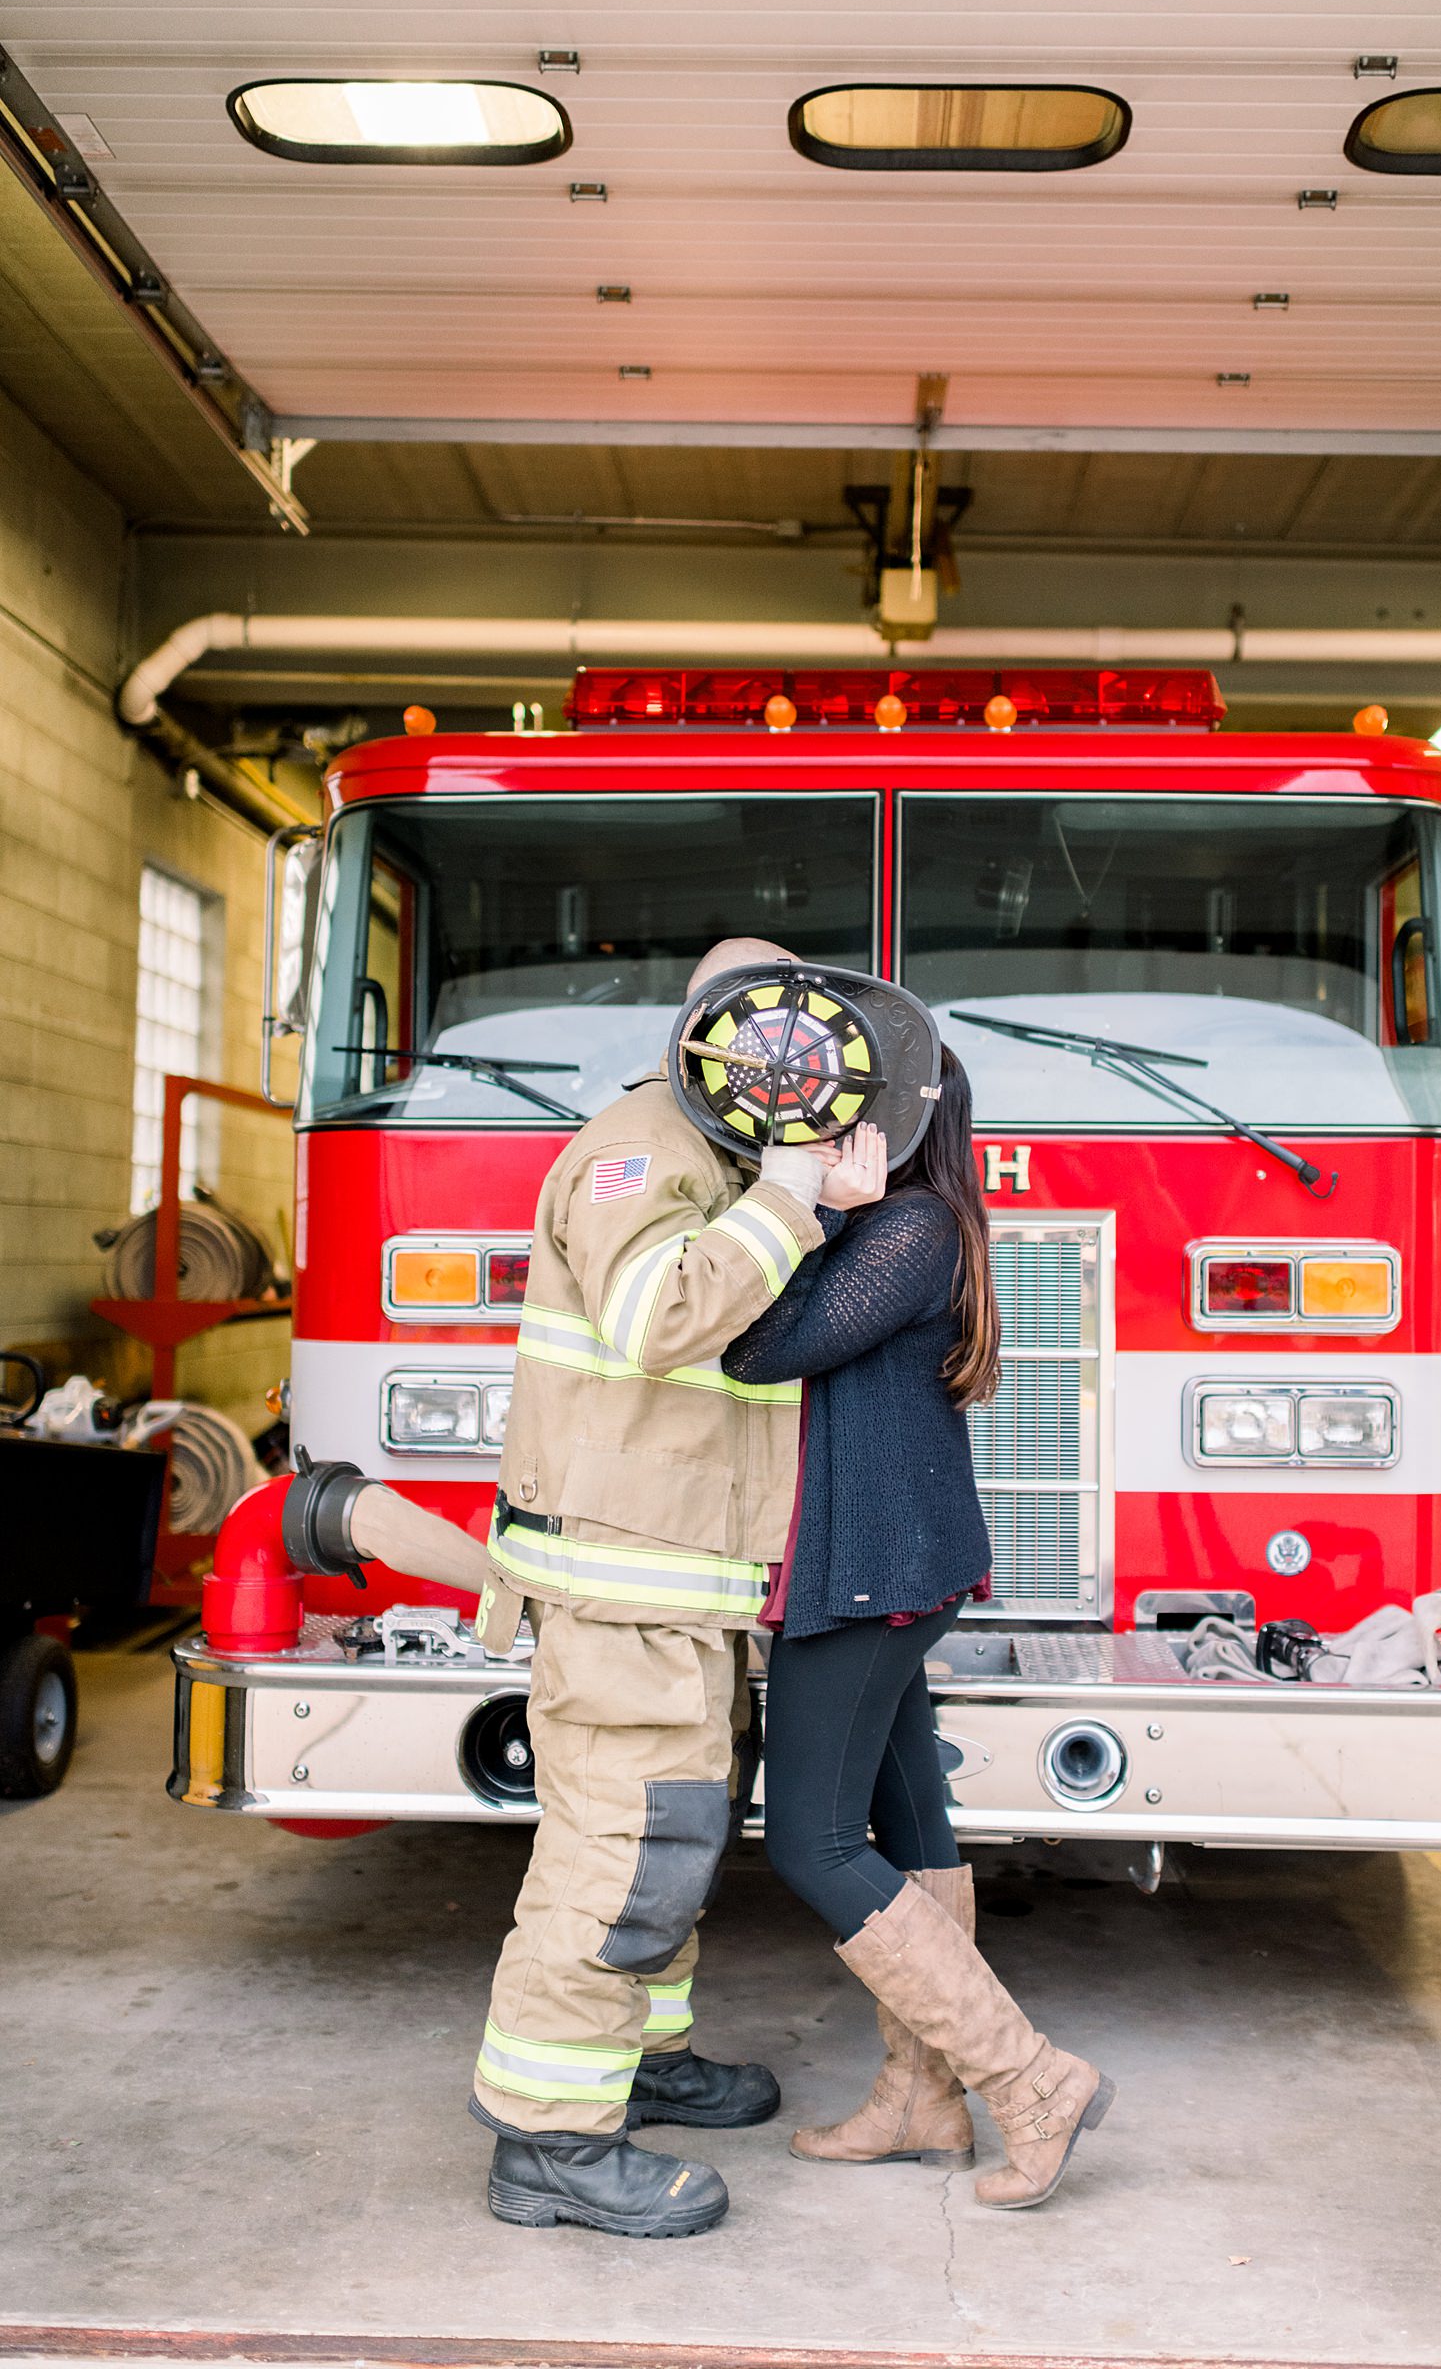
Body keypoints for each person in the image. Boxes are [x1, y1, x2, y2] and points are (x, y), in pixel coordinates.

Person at [469, 936, 858, 2240]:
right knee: (614, 1863)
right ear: (707, 1030)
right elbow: (653, 1319)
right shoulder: (645, 1148)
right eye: (758, 1034)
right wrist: (791, 1198)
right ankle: (551, 2146)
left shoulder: (722, 1157)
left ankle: (641, 2063)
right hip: (619, 1594)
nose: (783, 1060)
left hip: (682, 1595)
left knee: (670, 1852)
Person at [723, 1051, 1116, 2212]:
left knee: (812, 1842)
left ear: (887, 1122)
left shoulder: (905, 1231)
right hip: (893, 1562)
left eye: (833, 1110)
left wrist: (803, 1206)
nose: (807, 1127)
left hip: (869, 1572)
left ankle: (1028, 2080)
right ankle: (920, 2098)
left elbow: (758, 1347)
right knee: (907, 1823)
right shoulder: (915, 1225)